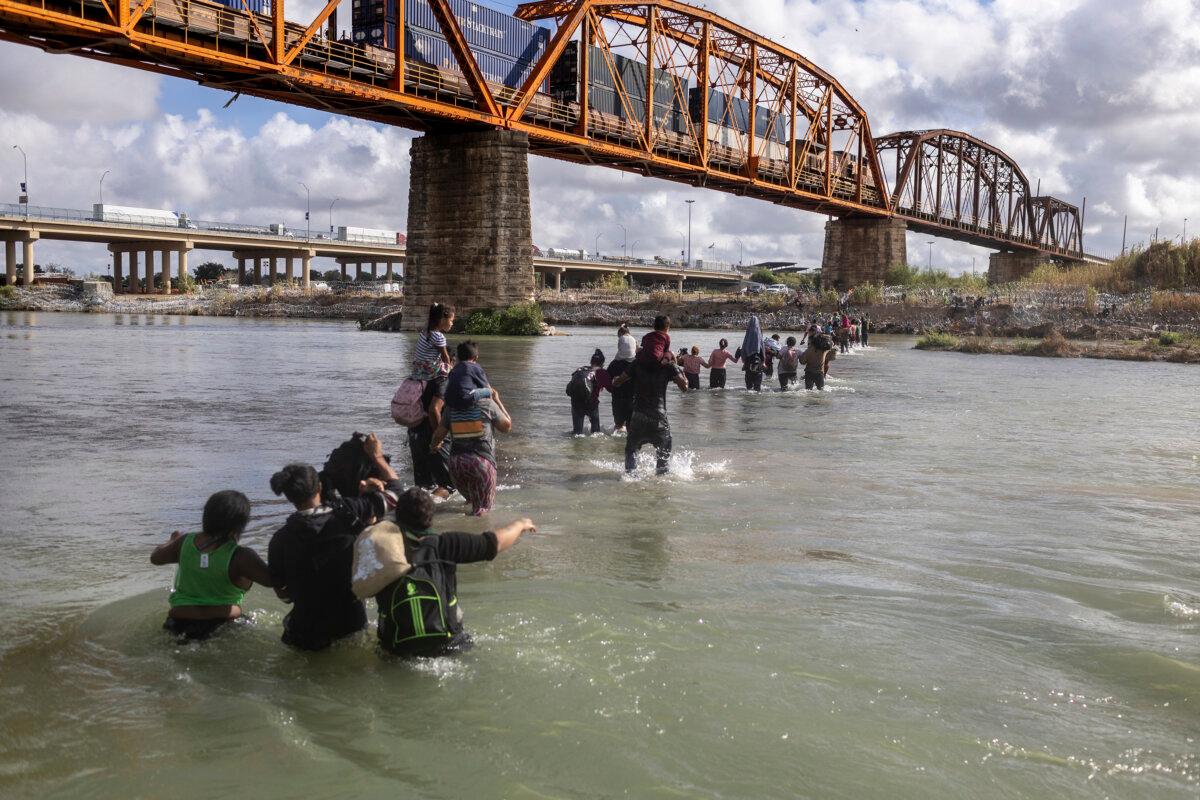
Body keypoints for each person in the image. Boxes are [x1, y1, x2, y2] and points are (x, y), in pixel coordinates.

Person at [268, 434, 402, 651]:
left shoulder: (280, 540)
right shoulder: (349, 513)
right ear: (319, 487)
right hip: (349, 625)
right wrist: (377, 457)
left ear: (289, 497)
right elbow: (397, 494)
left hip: (304, 633)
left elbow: (283, 593)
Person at [374, 487, 537, 657]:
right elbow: (494, 543)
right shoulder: (446, 545)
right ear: (430, 518)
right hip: (447, 646)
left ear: (397, 519)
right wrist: (520, 524)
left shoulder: (381, 551)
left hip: (398, 651)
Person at [151, 490, 273, 641]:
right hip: (225, 624)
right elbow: (273, 580)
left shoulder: (184, 542)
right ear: (240, 524)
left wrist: (173, 540)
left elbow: (155, 558)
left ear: (206, 516)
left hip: (178, 621)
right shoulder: (242, 556)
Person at [431, 381, 512, 516]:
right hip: (481, 463)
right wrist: (497, 400)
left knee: (470, 502)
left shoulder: (452, 407)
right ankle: (477, 536)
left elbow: (438, 435)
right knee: (482, 511)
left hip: (456, 464)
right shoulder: (488, 405)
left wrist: (434, 446)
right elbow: (507, 426)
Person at [614, 351, 688, 475]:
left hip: (638, 416)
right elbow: (685, 387)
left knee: (631, 449)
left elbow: (617, 382)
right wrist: (675, 364)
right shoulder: (667, 366)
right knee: (663, 453)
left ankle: (630, 478)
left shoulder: (637, 363)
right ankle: (661, 483)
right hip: (658, 418)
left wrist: (615, 379)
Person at [567, 348, 611, 435]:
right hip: (591, 404)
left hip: (576, 403)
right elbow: (611, 389)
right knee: (596, 433)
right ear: (602, 363)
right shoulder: (602, 372)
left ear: (591, 362)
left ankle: (577, 448)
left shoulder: (580, 369)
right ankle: (593, 447)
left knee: (577, 434)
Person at [412, 303, 454, 384]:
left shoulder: (425, 331)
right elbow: (445, 358)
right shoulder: (439, 336)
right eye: (451, 320)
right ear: (442, 319)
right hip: (428, 371)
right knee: (451, 364)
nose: (452, 324)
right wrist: (451, 371)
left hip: (417, 369)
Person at [445, 341, 491, 411]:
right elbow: (486, 386)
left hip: (449, 401)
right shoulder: (475, 367)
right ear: (476, 358)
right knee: (490, 391)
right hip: (465, 401)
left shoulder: (454, 368)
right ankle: (493, 411)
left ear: (458, 358)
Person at [735, 315, 766, 392]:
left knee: (748, 388)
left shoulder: (748, 334)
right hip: (758, 366)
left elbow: (743, 349)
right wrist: (763, 362)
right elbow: (762, 350)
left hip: (748, 365)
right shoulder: (759, 334)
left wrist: (744, 360)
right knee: (757, 389)